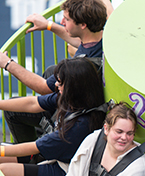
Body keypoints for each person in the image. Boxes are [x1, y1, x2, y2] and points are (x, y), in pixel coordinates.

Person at [0, 57, 106, 176]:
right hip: (54, 157)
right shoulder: (73, 98)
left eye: (60, 82)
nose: (55, 84)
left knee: (4, 172)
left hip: (68, 174)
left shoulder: (79, 126)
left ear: (74, 85)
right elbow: (33, 103)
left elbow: (32, 147)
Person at [0, 0, 110, 143]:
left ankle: (30, 157)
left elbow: (43, 87)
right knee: (51, 71)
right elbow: (82, 43)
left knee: (13, 109)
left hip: (75, 122)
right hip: (88, 110)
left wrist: (7, 63)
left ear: (83, 25)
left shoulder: (81, 64)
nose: (62, 21)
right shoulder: (104, 39)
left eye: (67, 19)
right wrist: (49, 26)